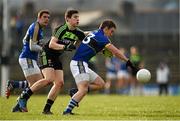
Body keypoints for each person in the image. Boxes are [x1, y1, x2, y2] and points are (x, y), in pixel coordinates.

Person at [14, 9, 86, 114]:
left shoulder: (79, 33)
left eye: (78, 17)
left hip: (56, 57)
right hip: (46, 54)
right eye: (75, 17)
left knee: (59, 83)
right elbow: (52, 44)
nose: (77, 19)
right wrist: (65, 47)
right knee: (49, 79)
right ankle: (23, 97)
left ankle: (46, 109)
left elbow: (86, 35)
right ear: (67, 19)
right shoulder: (61, 29)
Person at [63, 19, 137, 115]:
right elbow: (116, 51)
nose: (112, 34)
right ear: (106, 28)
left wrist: (75, 43)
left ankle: (76, 92)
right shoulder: (102, 38)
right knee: (84, 89)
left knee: (101, 84)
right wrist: (127, 61)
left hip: (81, 63)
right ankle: (67, 111)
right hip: (79, 63)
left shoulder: (93, 32)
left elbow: (82, 35)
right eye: (111, 31)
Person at [7, 9, 50, 110]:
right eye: (44, 17)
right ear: (38, 18)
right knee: (40, 82)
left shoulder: (39, 28)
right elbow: (32, 47)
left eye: (48, 17)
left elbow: (24, 40)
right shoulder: (36, 26)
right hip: (27, 58)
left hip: (30, 59)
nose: (47, 19)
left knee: (35, 84)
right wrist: (44, 49)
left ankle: (17, 105)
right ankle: (18, 91)